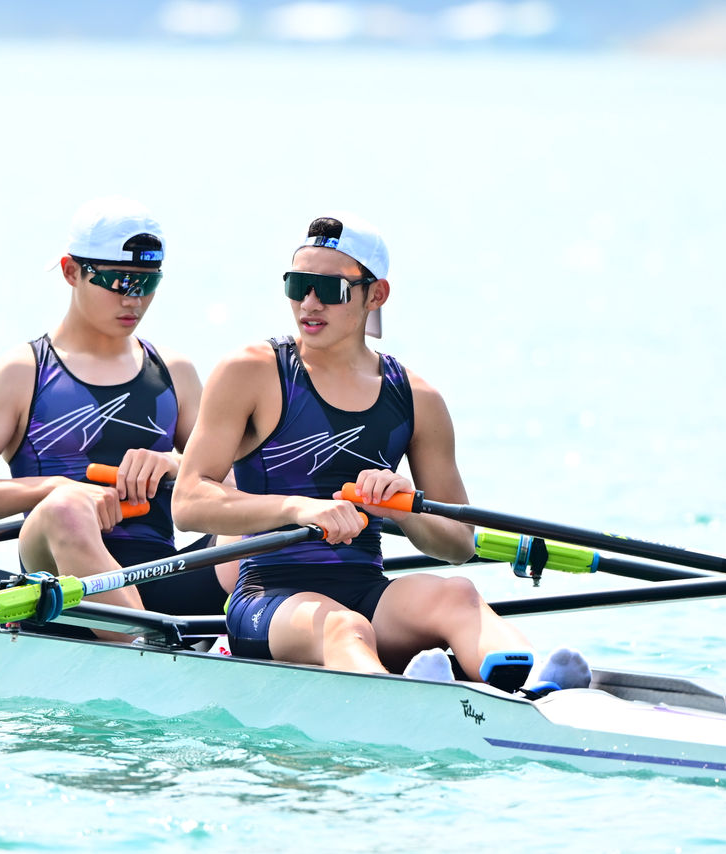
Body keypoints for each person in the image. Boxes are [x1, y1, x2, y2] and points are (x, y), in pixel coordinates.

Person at [170, 211, 590, 690]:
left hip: (367, 590)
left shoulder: (417, 398)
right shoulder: (252, 371)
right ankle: (406, 698)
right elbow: (189, 502)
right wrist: (297, 508)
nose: (309, 303)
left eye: (329, 289)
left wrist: (404, 508)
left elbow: (458, 543)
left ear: (376, 294)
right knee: (344, 627)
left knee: (459, 594)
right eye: (298, 285)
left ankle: (535, 690)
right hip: (269, 598)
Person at [0, 197, 230, 630]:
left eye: (148, 282)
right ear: (71, 272)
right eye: (120, 281)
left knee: (269, 514)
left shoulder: (175, 372)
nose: (135, 299)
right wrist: (54, 488)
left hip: (158, 577)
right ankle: (142, 643)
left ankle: (290, 634)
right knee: (66, 506)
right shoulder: (22, 372)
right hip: (59, 582)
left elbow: (237, 485)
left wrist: (175, 464)